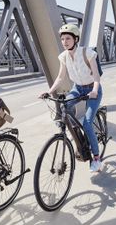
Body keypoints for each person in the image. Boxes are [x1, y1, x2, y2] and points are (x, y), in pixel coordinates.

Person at [40, 23, 103, 172]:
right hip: (78, 88)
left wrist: (94, 91)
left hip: (93, 89)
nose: (64, 42)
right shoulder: (63, 56)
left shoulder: (87, 53)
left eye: (68, 38)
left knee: (87, 124)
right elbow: (61, 77)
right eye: (62, 39)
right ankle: (76, 136)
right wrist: (49, 92)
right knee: (64, 106)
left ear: (76, 39)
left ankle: (96, 158)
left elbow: (96, 76)